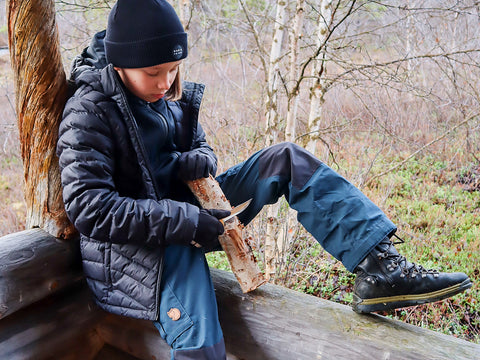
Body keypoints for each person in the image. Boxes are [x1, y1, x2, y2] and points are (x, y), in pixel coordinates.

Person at [56, 1, 472, 359]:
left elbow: (202, 148)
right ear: (119, 61)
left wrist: (198, 160)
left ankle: (380, 268)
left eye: (173, 69)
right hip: (145, 246)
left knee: (285, 159)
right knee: (198, 338)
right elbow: (90, 208)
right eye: (153, 72)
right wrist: (183, 220)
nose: (165, 83)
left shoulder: (166, 93)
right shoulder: (88, 110)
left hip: (192, 212)